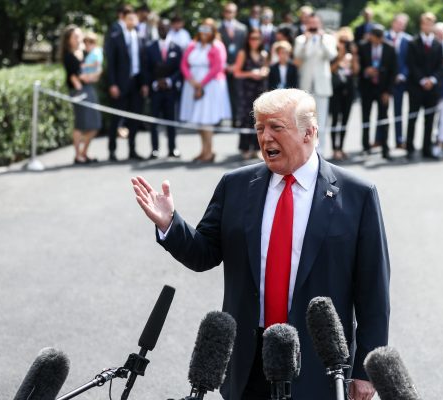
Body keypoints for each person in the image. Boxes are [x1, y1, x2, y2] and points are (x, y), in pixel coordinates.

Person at [131, 88, 390, 400]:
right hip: (249, 361)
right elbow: (204, 253)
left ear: (309, 133)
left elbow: (373, 291)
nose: (265, 138)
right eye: (259, 128)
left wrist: (365, 370)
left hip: (319, 362)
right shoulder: (236, 186)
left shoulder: (357, 195)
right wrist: (169, 223)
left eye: (276, 128)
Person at [179, 18, 231, 163]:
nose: (204, 32)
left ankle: (209, 151)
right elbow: (184, 64)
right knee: (199, 120)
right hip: (193, 83)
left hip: (211, 85)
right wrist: (191, 80)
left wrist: (201, 84)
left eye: (208, 29)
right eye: (203, 28)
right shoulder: (193, 45)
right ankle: (204, 150)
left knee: (206, 118)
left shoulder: (217, 45)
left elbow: (217, 67)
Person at [106, 6, 149, 161]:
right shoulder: (115, 37)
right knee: (116, 117)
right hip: (120, 84)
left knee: (134, 118)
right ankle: (112, 150)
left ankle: (132, 149)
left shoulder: (140, 37)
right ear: (124, 19)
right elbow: (110, 63)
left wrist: (144, 84)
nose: (133, 21)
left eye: (135, 18)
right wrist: (112, 84)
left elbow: (143, 63)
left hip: (136, 83)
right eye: (130, 18)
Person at [293, 14, 337, 156]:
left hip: (322, 85)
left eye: (315, 23)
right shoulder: (301, 39)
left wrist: (322, 39)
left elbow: (331, 55)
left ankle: (321, 151)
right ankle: (306, 150)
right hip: (306, 86)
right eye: (310, 23)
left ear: (320, 24)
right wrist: (306, 41)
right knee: (305, 120)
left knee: (321, 120)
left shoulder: (328, 38)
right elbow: (297, 56)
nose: (313, 26)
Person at [406, 12, 443, 159]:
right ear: (421, 25)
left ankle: (427, 148)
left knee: (429, 120)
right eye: (425, 23)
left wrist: (432, 80)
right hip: (416, 87)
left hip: (432, 89)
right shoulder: (413, 42)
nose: (428, 26)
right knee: (413, 118)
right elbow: (411, 64)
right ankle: (409, 148)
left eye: (430, 24)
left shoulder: (438, 44)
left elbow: (440, 66)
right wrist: (422, 80)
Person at [61, 25, 101, 164]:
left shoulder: (85, 53)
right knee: (81, 123)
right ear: (68, 40)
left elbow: (94, 69)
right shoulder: (69, 56)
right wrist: (85, 79)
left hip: (88, 89)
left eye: (79, 36)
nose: (79, 39)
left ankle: (84, 152)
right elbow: (75, 77)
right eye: (75, 37)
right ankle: (78, 155)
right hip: (79, 92)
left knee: (94, 124)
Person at [358, 25, 397, 160]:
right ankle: (365, 147)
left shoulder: (390, 48)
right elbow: (359, 67)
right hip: (367, 88)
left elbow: (393, 72)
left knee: (383, 119)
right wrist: (365, 71)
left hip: (383, 89)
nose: (375, 41)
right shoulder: (363, 47)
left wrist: (388, 91)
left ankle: (385, 148)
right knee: (366, 118)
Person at [146, 18, 182, 159]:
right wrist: (154, 82)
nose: (163, 30)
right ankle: (154, 149)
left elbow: (180, 69)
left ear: (169, 29)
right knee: (154, 122)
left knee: (170, 121)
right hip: (155, 90)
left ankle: (172, 148)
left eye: (165, 28)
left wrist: (169, 81)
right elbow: (146, 68)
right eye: (160, 28)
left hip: (170, 90)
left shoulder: (176, 47)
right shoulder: (150, 47)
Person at [233, 29, 269, 160]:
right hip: (246, 90)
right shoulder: (243, 53)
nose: (254, 41)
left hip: (259, 89)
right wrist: (251, 74)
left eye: (257, 38)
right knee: (246, 118)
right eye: (252, 38)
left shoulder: (264, 54)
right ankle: (245, 147)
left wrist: (264, 71)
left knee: (260, 119)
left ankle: (257, 147)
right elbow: (236, 72)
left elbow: (266, 68)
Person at [329, 28, 357, 160]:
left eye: (347, 41)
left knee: (345, 120)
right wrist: (340, 56)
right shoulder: (333, 54)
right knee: (335, 119)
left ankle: (341, 147)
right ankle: (334, 148)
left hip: (349, 90)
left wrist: (354, 55)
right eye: (342, 40)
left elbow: (356, 71)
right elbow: (330, 70)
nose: (344, 43)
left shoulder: (352, 55)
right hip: (336, 90)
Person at [385, 13, 412, 148]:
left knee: (398, 111)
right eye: (399, 23)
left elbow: (409, 61)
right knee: (382, 112)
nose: (401, 26)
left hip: (400, 82)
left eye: (403, 24)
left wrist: (402, 75)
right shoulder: (383, 37)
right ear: (393, 23)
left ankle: (399, 139)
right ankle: (380, 139)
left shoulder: (409, 40)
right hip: (384, 82)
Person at [219, 3, 248, 128]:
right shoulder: (218, 29)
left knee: (237, 93)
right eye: (227, 11)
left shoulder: (242, 28)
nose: (229, 14)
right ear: (224, 12)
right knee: (222, 93)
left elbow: (244, 48)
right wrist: (225, 64)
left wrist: (237, 65)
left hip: (238, 66)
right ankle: (219, 119)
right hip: (222, 67)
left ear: (235, 13)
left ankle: (236, 120)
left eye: (231, 11)